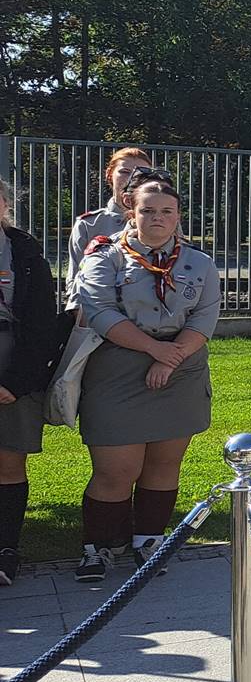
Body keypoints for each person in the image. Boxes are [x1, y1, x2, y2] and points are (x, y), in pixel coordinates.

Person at [70, 175, 220, 582]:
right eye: (148, 210)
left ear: (178, 217)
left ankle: (148, 541)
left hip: (181, 366)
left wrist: (169, 359)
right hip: (119, 366)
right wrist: (153, 350)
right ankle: (99, 547)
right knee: (116, 469)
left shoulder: (198, 263)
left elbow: (205, 317)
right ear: (130, 212)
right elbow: (101, 312)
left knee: (164, 463)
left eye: (166, 211)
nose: (157, 218)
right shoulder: (105, 257)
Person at [0, 180, 59, 586]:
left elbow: (43, 321)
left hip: (14, 368)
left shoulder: (25, 250)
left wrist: (17, 382)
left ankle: (6, 549)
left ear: (4, 203)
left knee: (8, 460)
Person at [67, 147, 154, 287]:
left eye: (142, 173)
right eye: (125, 172)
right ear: (109, 174)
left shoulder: (164, 220)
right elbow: (75, 280)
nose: (133, 178)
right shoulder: (89, 224)